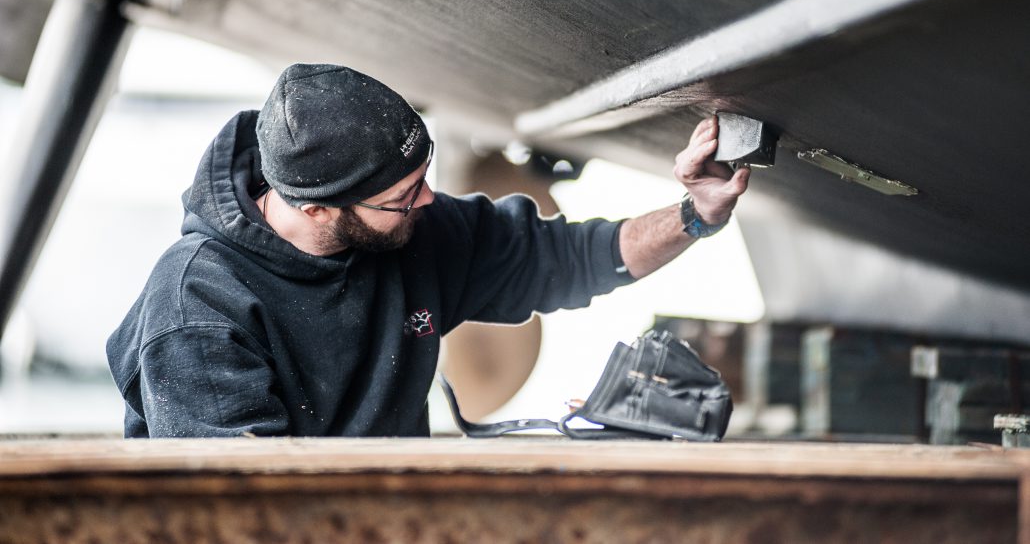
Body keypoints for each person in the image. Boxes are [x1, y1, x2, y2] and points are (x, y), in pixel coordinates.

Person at [106, 63, 750, 438]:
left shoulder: (419, 229)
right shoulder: (199, 307)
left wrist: (696, 214)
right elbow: (241, 509)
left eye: (422, 181)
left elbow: (575, 257)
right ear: (316, 209)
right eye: (400, 198)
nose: (427, 203)